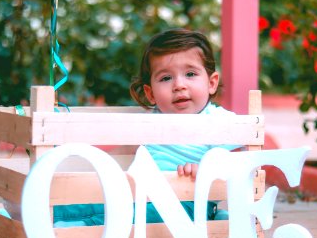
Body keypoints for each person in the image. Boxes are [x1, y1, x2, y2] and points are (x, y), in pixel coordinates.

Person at [52, 28, 238, 227]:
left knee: (136, 215)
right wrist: (96, 164)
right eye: (166, 78)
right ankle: (48, 214)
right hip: (137, 192)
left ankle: (85, 228)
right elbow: (127, 149)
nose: (179, 85)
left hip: (185, 204)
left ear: (211, 83)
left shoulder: (220, 122)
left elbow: (240, 164)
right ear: (150, 93)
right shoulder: (150, 122)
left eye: (190, 74)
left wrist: (208, 169)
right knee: (89, 200)